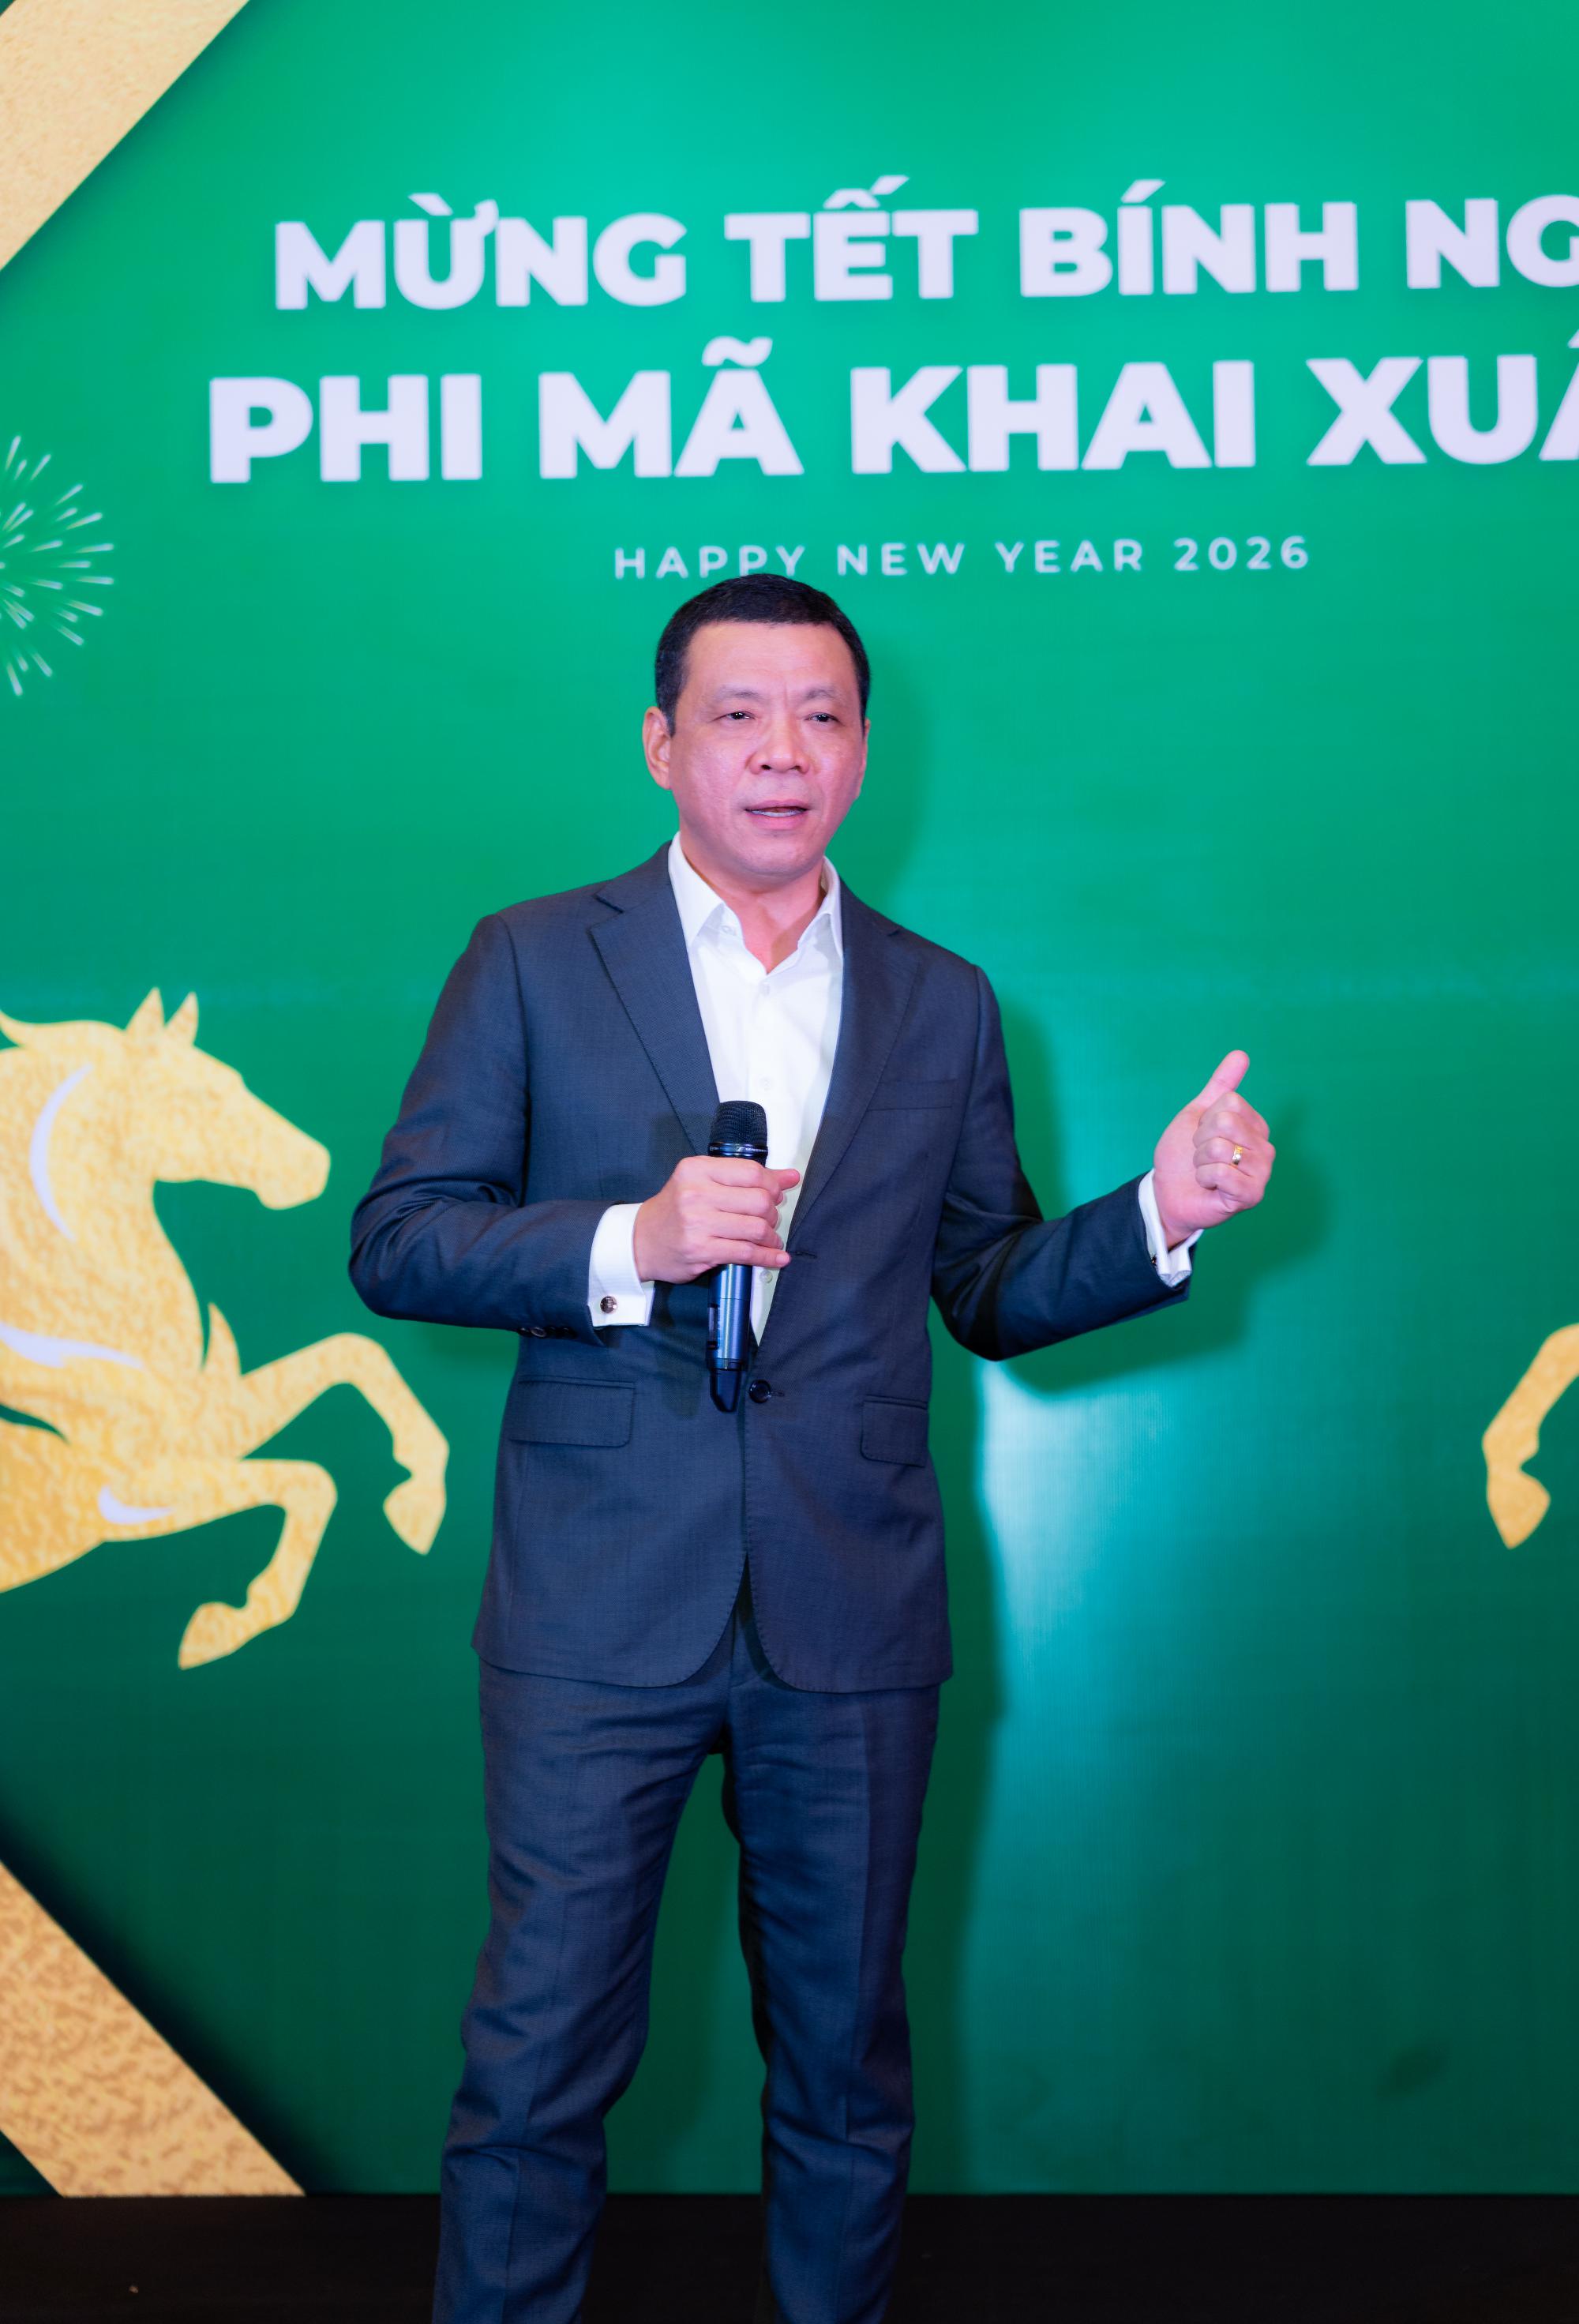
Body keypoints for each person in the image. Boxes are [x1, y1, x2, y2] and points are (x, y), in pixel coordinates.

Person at [349, 575, 1275, 2324]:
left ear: (861, 749)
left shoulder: (943, 999)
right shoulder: (533, 957)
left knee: (845, 2071)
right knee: (537, 2064)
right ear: (662, 744)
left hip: (850, 1616)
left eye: (823, 717)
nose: (784, 751)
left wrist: (1159, 1210)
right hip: (594, 1610)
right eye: (739, 714)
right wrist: (631, 1240)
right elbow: (400, 1237)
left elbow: (985, 1282)